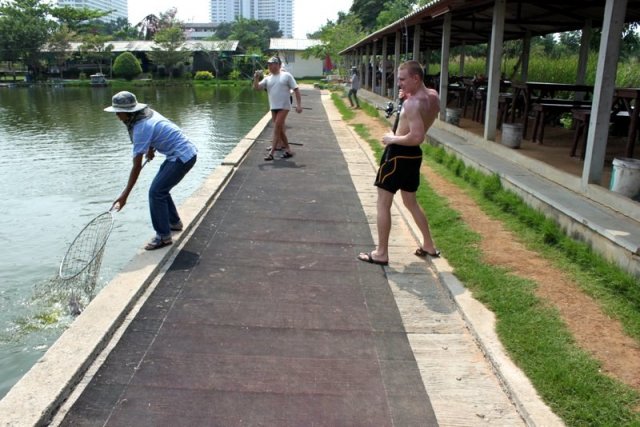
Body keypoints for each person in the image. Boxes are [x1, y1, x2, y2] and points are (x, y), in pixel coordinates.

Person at [358, 60, 440, 266]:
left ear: (416, 78)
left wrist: (391, 138)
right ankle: (429, 244)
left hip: (398, 155)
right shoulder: (433, 95)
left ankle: (381, 253)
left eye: (403, 79)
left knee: (383, 203)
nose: (399, 83)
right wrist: (407, 100)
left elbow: (417, 136)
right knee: (410, 202)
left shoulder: (412, 103)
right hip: (413, 158)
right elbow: (419, 116)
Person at [104, 91, 197, 251]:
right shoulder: (147, 113)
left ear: (128, 112)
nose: (117, 116)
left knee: (156, 192)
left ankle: (163, 237)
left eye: (119, 113)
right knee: (161, 189)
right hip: (184, 153)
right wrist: (151, 149)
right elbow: (156, 133)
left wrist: (124, 195)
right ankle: (174, 223)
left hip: (181, 157)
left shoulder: (141, 127)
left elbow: (136, 167)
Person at [253, 56, 303, 161]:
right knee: (279, 129)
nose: (271, 66)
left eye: (273, 64)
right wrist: (256, 78)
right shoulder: (268, 78)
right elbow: (257, 88)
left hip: (284, 106)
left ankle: (272, 153)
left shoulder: (286, 75)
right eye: (269, 64)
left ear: (279, 65)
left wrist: (299, 105)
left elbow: (296, 90)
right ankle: (288, 150)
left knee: (276, 126)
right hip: (273, 106)